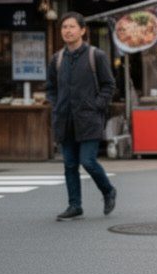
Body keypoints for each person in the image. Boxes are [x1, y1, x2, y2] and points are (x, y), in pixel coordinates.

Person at [46, 12, 117, 220]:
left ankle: (108, 190)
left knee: (87, 161)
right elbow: (50, 87)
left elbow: (109, 85)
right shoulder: (57, 59)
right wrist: (57, 105)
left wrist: (97, 105)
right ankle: (75, 206)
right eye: (64, 27)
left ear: (82, 30)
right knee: (69, 164)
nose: (67, 31)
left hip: (89, 119)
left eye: (72, 27)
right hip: (65, 119)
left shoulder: (96, 56)